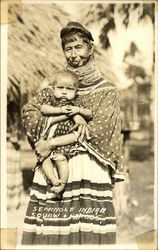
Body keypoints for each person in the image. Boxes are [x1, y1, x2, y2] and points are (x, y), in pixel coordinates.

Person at [22, 21, 124, 245]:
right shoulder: (55, 86)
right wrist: (68, 115)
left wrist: (51, 142)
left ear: (90, 49)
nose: (73, 54)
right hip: (55, 172)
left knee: (87, 236)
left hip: (89, 169)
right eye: (68, 48)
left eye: (78, 47)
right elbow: (30, 112)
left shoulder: (107, 91)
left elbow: (100, 130)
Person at [36, 69, 92, 194]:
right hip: (49, 135)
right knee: (44, 158)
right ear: (53, 88)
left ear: (76, 91)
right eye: (60, 88)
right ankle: (52, 179)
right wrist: (61, 110)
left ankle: (62, 183)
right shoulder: (53, 100)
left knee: (61, 159)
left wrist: (79, 110)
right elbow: (44, 109)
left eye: (69, 89)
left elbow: (89, 113)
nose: (64, 92)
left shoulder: (76, 102)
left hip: (66, 139)